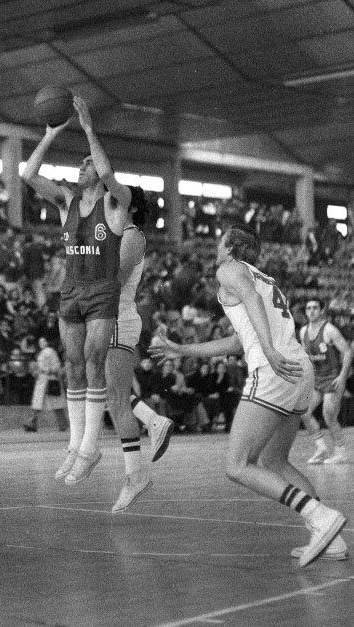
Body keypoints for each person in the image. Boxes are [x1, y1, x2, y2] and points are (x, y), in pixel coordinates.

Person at [149, 225, 347, 567]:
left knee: (237, 465)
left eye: (220, 241)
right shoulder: (261, 277)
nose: (215, 247)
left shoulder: (229, 269)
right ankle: (333, 541)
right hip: (299, 368)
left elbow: (253, 311)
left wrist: (268, 351)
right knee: (275, 462)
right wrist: (182, 349)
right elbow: (238, 342)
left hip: (274, 369)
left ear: (231, 248)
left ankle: (320, 515)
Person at [21, 95, 131, 484]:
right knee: (72, 366)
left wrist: (87, 129)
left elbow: (104, 167)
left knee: (93, 361)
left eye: (87, 164)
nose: (81, 167)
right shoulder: (67, 200)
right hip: (71, 289)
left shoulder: (118, 204)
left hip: (101, 290)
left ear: (99, 176)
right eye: (82, 164)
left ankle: (92, 447)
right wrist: (49, 136)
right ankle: (75, 445)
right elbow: (28, 175)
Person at [104, 186, 174, 513]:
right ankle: (151, 421)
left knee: (115, 398)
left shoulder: (132, 236)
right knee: (109, 394)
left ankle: (136, 472)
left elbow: (113, 280)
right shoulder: (112, 233)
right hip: (108, 316)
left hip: (117, 315)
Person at [299, 298, 352, 464]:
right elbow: (305, 357)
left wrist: (343, 376)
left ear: (321, 310)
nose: (312, 311)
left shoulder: (329, 330)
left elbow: (348, 352)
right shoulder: (303, 332)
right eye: (309, 308)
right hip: (316, 379)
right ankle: (321, 448)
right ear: (306, 312)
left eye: (315, 307)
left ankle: (341, 451)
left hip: (332, 378)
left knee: (328, 416)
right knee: (304, 412)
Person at [24, 337, 68, 433]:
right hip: (43, 380)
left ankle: (63, 424)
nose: (41, 343)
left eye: (43, 341)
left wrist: (47, 371)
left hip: (50, 380)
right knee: (38, 404)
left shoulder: (50, 352)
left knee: (56, 405)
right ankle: (31, 423)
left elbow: (56, 366)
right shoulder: (42, 353)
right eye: (40, 341)